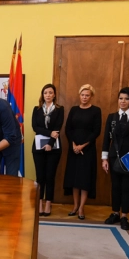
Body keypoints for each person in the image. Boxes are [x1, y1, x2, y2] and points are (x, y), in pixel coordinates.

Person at [101, 87, 129, 230]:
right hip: (114, 157)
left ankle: (124, 216)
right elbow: (106, 139)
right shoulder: (112, 117)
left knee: (127, 187)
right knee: (115, 186)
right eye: (121, 98)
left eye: (126, 99)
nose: (123, 101)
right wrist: (104, 159)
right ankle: (115, 213)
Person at [62, 84, 102, 219]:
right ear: (79, 95)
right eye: (82, 95)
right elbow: (68, 129)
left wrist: (82, 146)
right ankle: (75, 206)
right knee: (74, 178)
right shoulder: (74, 110)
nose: (84, 97)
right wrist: (74, 144)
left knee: (84, 179)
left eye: (87, 95)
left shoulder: (96, 111)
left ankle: (81, 208)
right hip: (73, 148)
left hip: (87, 149)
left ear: (91, 97)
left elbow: (96, 131)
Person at [32, 84, 64, 216]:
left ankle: (48, 204)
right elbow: (35, 127)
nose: (48, 95)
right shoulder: (37, 109)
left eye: (50, 92)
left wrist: (50, 143)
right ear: (42, 95)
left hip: (54, 147)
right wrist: (50, 133)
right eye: (45, 93)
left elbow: (58, 127)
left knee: (50, 176)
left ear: (54, 94)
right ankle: (39, 202)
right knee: (40, 177)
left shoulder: (59, 109)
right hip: (38, 147)